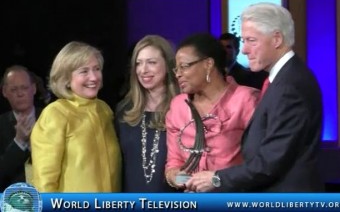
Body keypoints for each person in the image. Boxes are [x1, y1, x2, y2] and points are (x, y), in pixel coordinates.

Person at [186, 3, 324, 192]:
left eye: (251, 40)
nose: (243, 50)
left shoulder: (290, 86)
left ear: (276, 39)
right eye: (243, 41)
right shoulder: (284, 78)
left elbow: (270, 162)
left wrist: (217, 179)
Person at [165, 33, 259, 191]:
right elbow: (173, 164)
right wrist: (180, 178)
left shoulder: (246, 100)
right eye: (176, 68)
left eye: (184, 66)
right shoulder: (178, 106)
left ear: (208, 64)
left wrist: (216, 180)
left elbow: (261, 164)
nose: (178, 74)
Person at [30, 41, 122, 192]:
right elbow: (44, 181)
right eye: (84, 71)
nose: (93, 77)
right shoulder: (55, 114)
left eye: (96, 69)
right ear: (66, 78)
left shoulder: (104, 110)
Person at [115, 35, 179, 192]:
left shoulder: (184, 110)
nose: (143, 70)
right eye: (138, 63)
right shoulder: (124, 110)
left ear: (168, 64)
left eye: (151, 62)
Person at [0, 65, 42, 192]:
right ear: (4, 92)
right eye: (13, 89)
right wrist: (18, 142)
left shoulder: (51, 118)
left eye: (24, 88)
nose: (20, 93)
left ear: (34, 89)